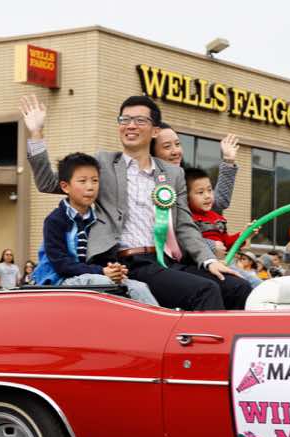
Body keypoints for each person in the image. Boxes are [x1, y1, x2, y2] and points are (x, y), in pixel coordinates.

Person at [21, 94, 250, 310]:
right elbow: (48, 183)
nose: (130, 125)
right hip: (125, 263)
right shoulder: (103, 163)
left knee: (238, 287)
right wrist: (36, 132)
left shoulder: (173, 174)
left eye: (140, 120)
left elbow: (185, 226)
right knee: (204, 291)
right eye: (125, 120)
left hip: (166, 261)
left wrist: (208, 260)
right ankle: (202, 342)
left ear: (155, 130)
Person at [31, 152, 159, 306]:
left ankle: (161, 320)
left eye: (95, 181)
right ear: (65, 187)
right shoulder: (55, 220)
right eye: (82, 181)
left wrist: (114, 269)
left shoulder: (98, 220)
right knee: (104, 283)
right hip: (59, 280)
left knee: (139, 287)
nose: (90, 187)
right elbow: (61, 265)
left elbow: (103, 258)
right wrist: (102, 272)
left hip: (91, 276)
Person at [151, 124, 240, 213]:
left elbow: (219, 202)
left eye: (177, 144)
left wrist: (228, 160)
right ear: (152, 151)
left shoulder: (187, 179)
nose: (176, 151)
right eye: (167, 146)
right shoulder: (147, 182)